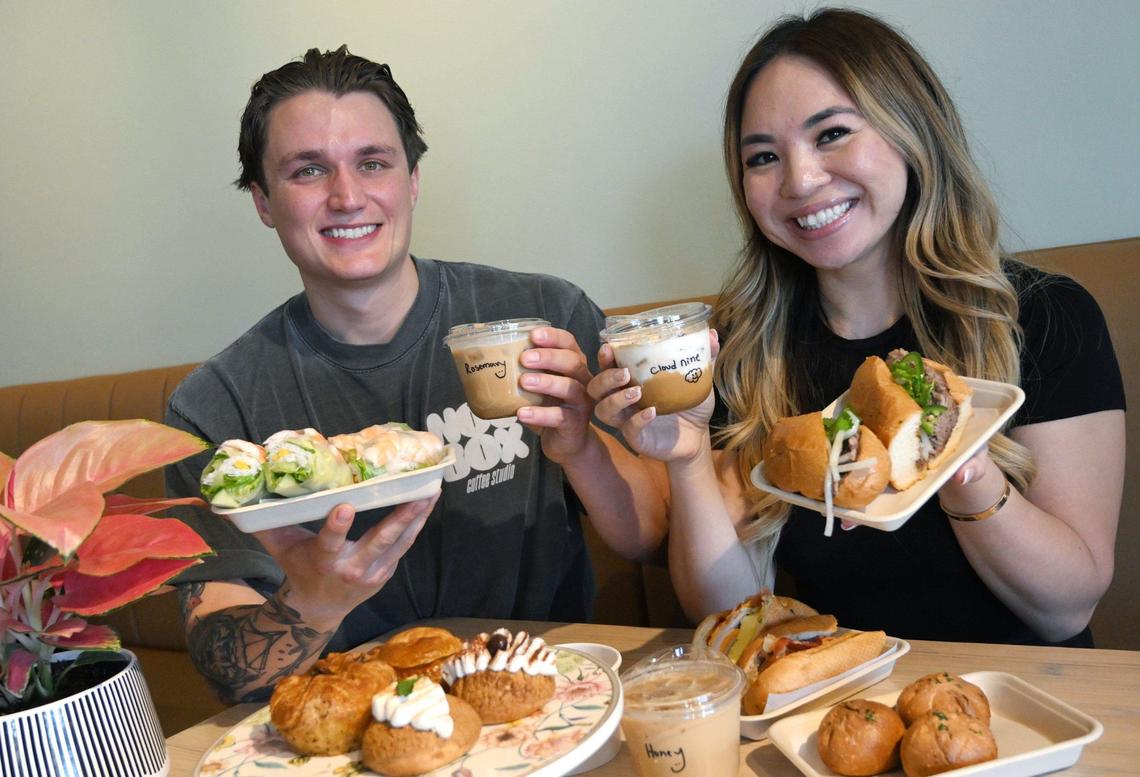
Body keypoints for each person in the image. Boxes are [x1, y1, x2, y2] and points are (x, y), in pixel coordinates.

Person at [589, 8, 1124, 647]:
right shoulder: (742, 349)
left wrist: (961, 469)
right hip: (830, 713)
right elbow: (732, 616)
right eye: (763, 157)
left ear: (911, 133)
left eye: (832, 133)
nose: (801, 180)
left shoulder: (1044, 317)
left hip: (1028, 708)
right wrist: (688, 457)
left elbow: (1066, 611)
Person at [165, 46, 664, 703]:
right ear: (263, 200)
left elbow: (651, 534)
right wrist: (312, 600)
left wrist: (582, 449)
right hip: (348, 728)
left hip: (548, 702)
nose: (347, 197)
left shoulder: (543, 321)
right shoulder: (215, 410)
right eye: (308, 170)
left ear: (412, 179)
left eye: (373, 163)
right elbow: (226, 667)